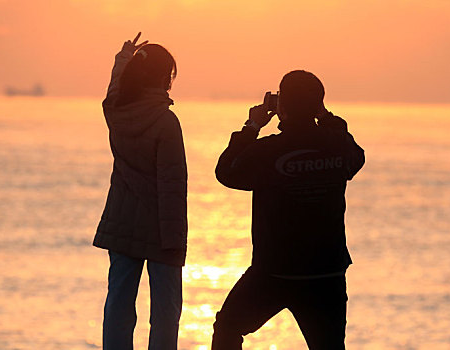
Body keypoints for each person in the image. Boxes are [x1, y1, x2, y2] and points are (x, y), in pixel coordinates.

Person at [212, 70, 365, 349]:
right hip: (325, 274)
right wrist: (325, 116)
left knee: (228, 327)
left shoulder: (267, 151)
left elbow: (226, 172)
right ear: (318, 105)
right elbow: (356, 156)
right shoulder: (337, 145)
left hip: (273, 273)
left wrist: (251, 126)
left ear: (282, 107)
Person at [93, 33, 187, 350]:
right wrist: (175, 243)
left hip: (121, 221)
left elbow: (115, 89)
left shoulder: (117, 111)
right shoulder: (165, 122)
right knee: (165, 312)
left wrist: (123, 58)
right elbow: (173, 188)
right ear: (164, 77)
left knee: (118, 305)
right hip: (161, 230)